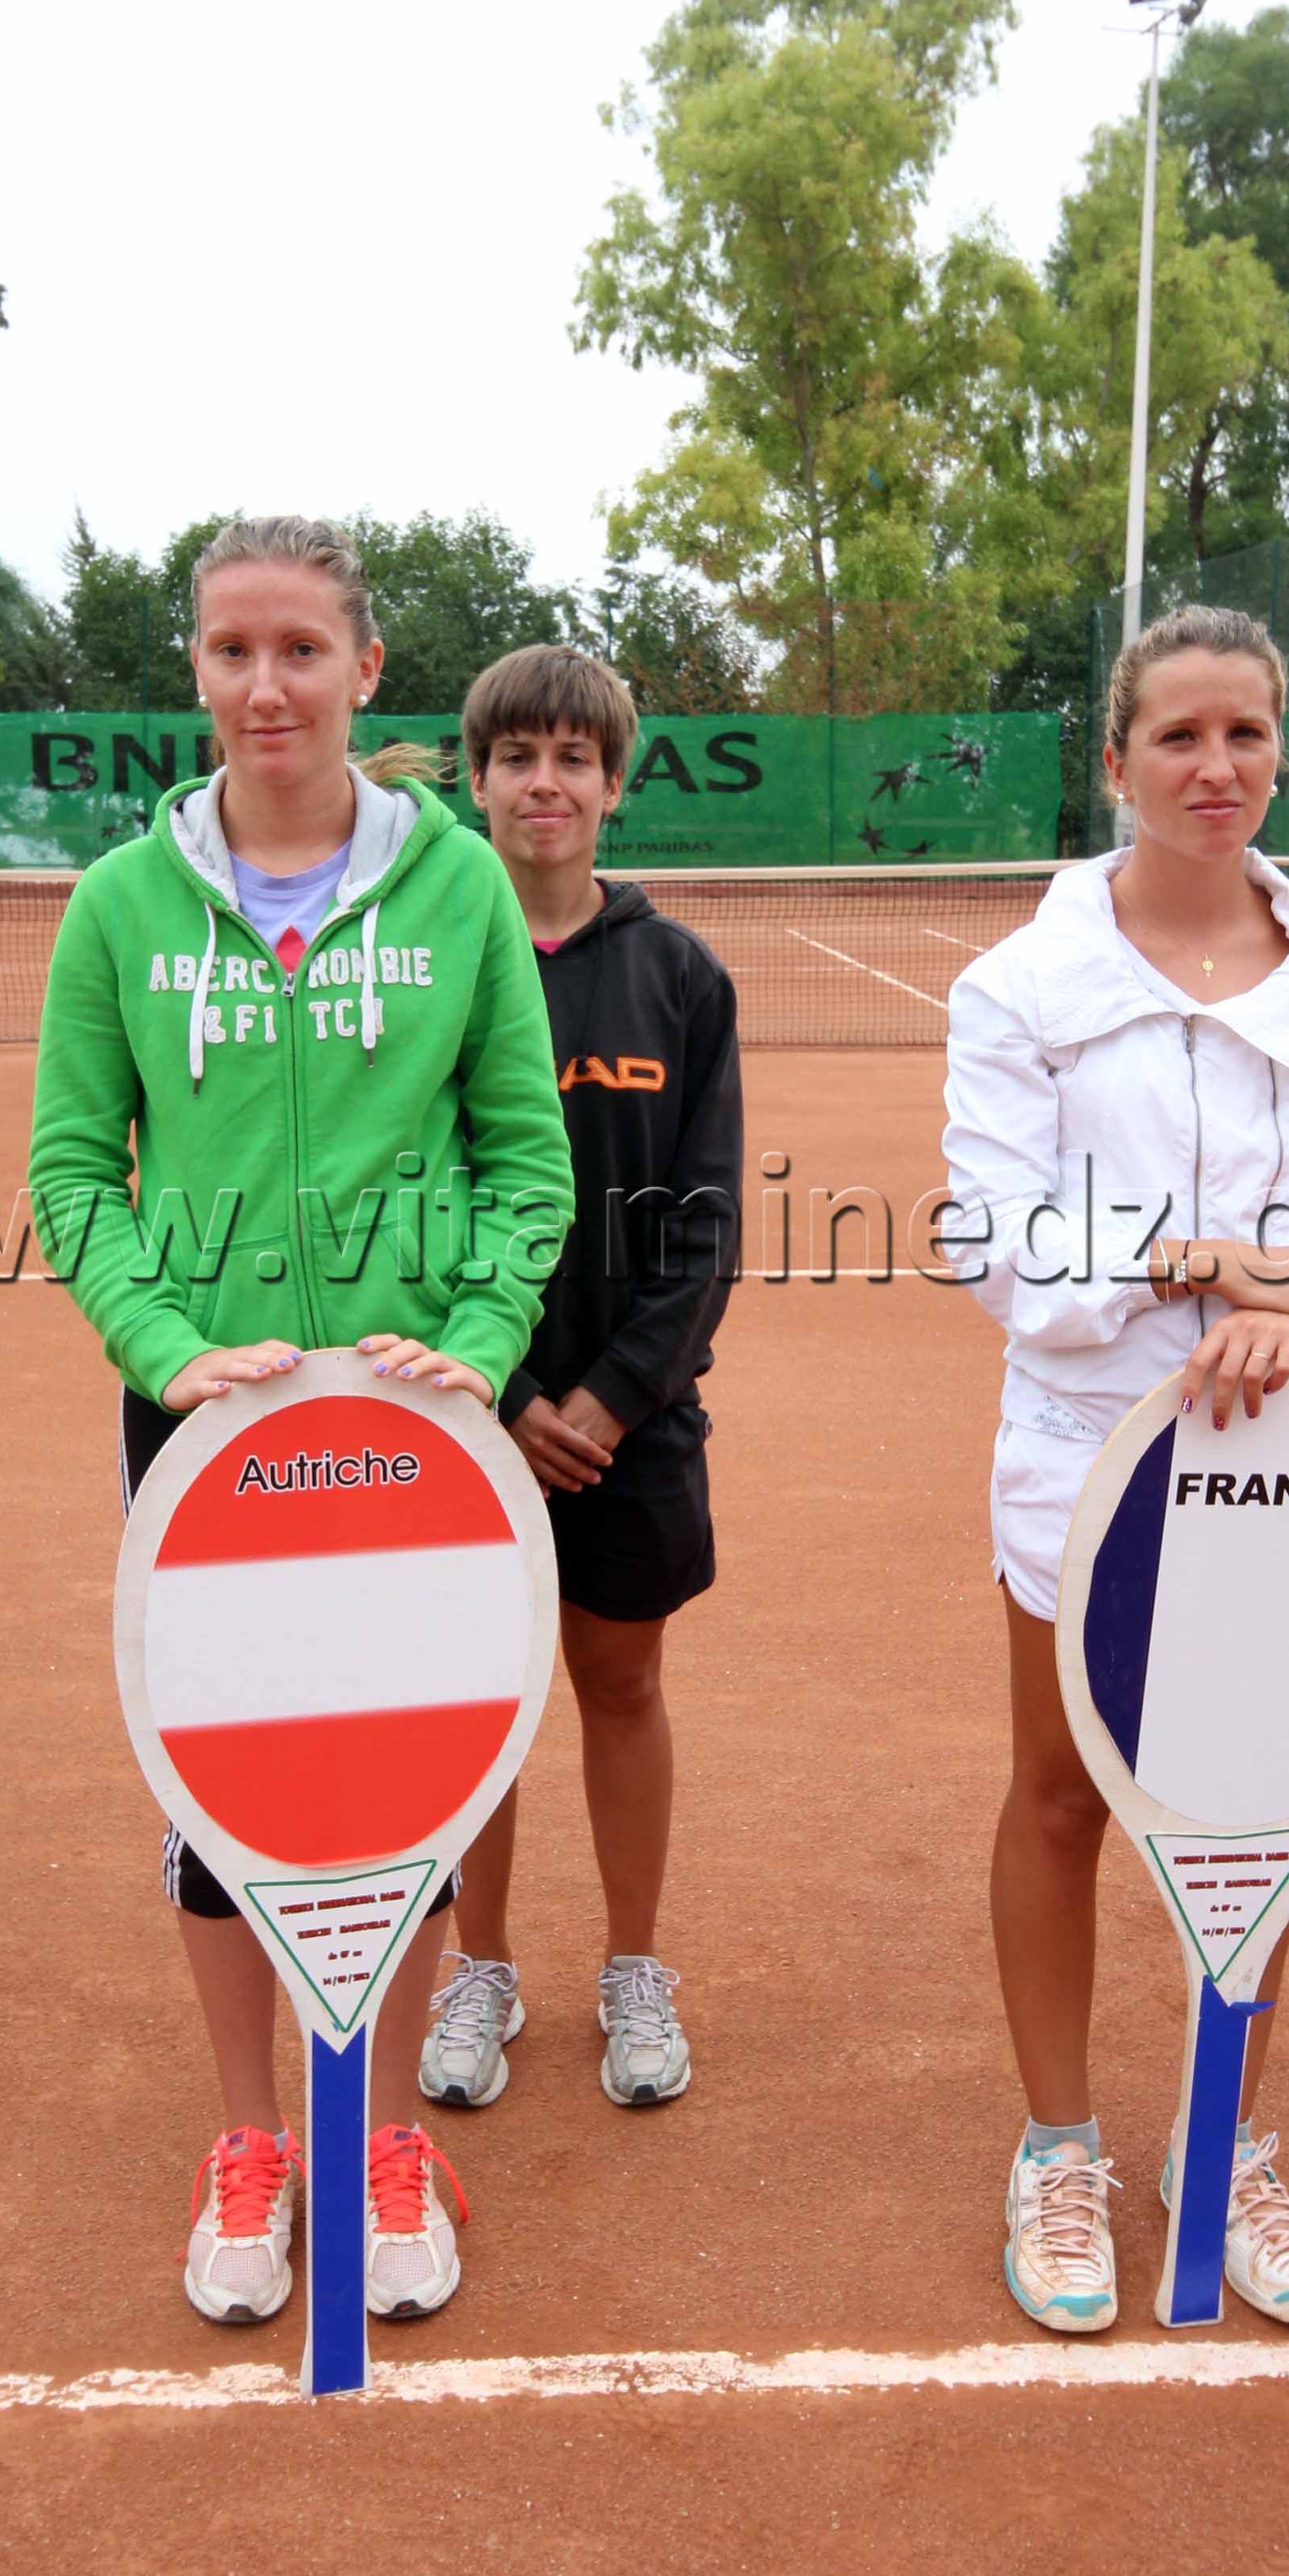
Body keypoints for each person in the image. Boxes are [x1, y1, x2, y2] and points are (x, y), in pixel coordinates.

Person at [29, 516, 571, 2329]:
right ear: (194, 669)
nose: (264, 685)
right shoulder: (119, 904)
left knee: (402, 1793)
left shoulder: (461, 889)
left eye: (298, 651)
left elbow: (524, 1152)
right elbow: (68, 1173)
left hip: (412, 1425)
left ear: (362, 670)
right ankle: (254, 2138)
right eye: (228, 650)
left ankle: (382, 2137)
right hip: (207, 1432)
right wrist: (160, 1342)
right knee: (225, 1802)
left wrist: (479, 1336)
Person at [942, 603, 1289, 2335]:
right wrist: (1202, 1262)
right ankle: (1056, 2147)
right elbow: (996, 1245)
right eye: (1176, 738)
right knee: (1063, 1795)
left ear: (1275, 749)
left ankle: (1219, 2146)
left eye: (1242, 736)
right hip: (1082, 1452)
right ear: (1113, 761)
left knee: (1254, 1811)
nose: (1213, 768)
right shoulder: (1015, 987)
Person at [419, 648, 741, 2115]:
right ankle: (477, 1964)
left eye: (573, 758)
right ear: (475, 778)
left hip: (632, 1425)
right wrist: (507, 1389)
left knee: (622, 1682)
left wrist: (606, 1397)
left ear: (615, 782)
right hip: (459, 1405)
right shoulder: (423, 963)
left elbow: (706, 1219)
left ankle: (632, 1964)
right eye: (516, 757)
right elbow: (408, 1192)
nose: (543, 783)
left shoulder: (680, 977)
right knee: (475, 1698)